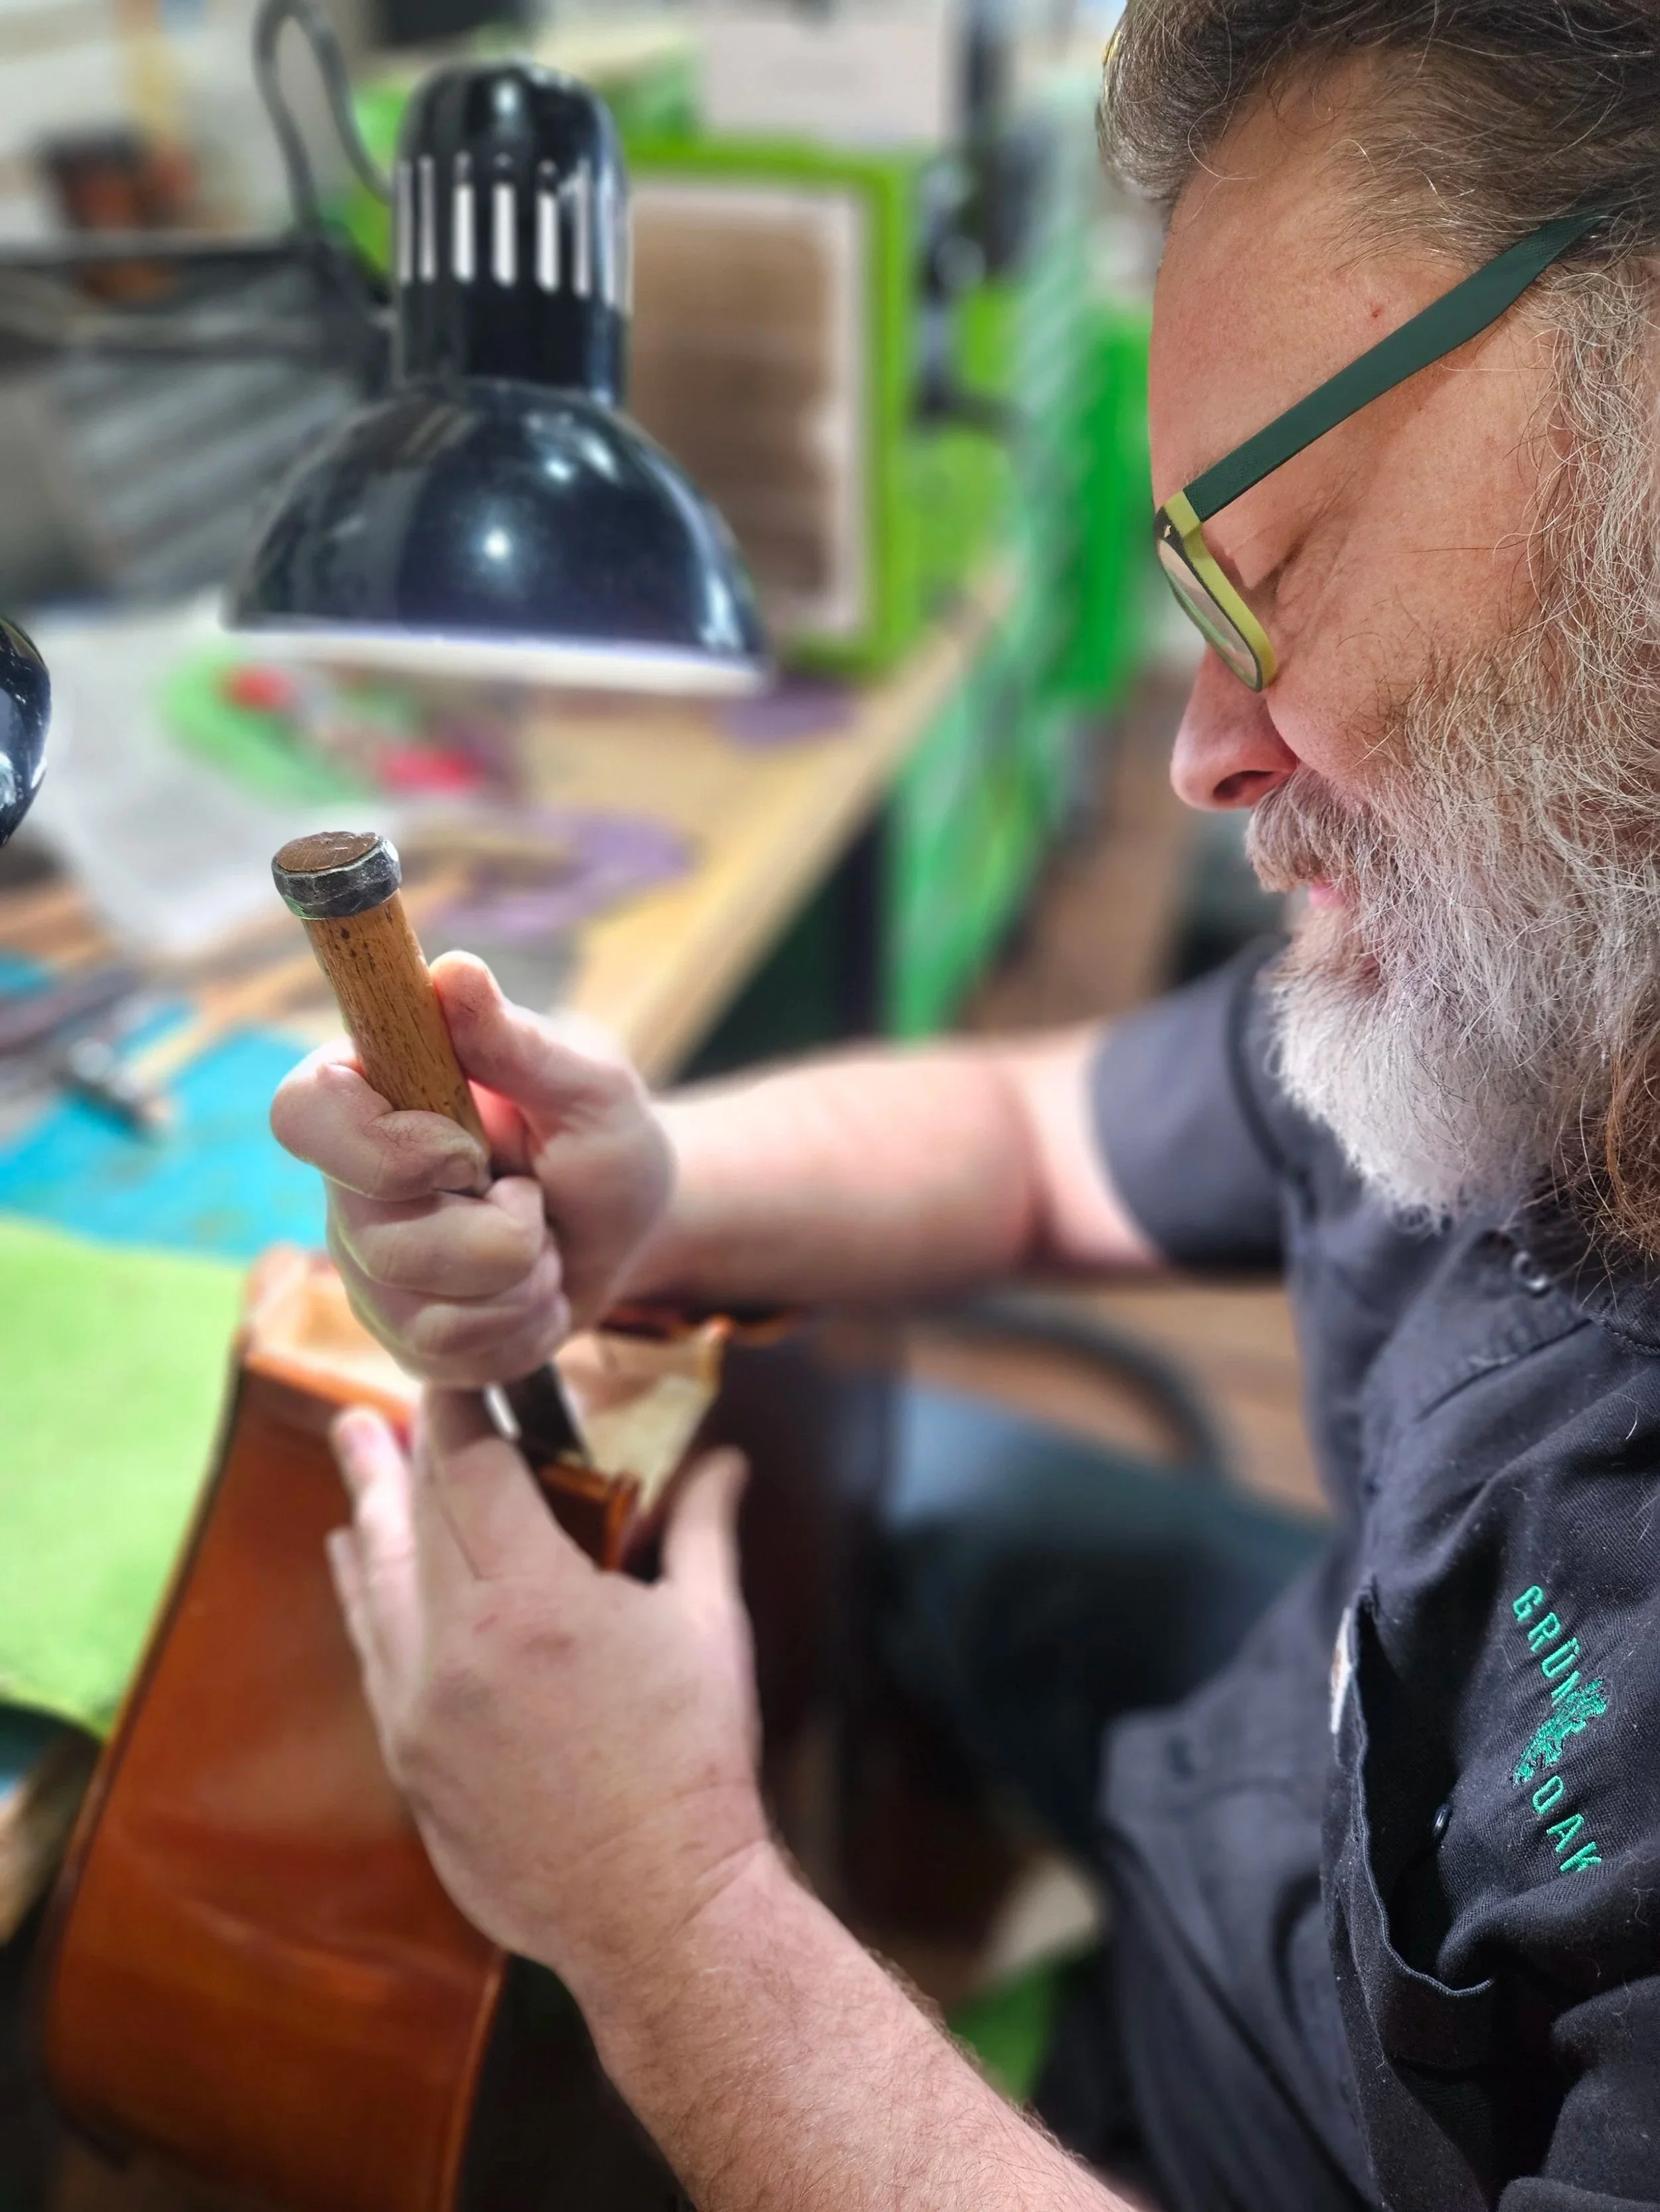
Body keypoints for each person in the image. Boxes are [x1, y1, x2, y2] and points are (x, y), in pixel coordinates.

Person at [271, 5, 1660, 2205]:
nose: (1201, 752)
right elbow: (1038, 1140)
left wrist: (678, 1920)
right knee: (841, 1467)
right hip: (1282, 1780)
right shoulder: (1548, 959)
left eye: (1251, 568)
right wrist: (643, 1185)